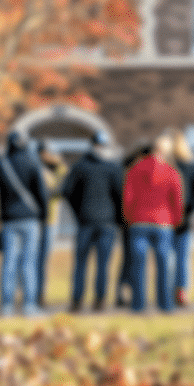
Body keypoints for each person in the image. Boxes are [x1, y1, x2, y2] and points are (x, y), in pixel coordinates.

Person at [60, 130, 124, 312]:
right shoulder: (113, 167)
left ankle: (77, 300)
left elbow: (68, 192)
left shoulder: (81, 166)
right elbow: (120, 196)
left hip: (86, 221)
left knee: (81, 263)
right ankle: (99, 300)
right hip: (107, 222)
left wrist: (78, 212)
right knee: (102, 264)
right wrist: (119, 219)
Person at [123, 133, 184, 313]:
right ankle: (165, 304)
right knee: (164, 265)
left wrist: (130, 218)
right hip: (163, 222)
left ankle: (138, 305)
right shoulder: (172, 172)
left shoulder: (135, 170)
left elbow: (128, 198)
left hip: (139, 221)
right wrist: (175, 220)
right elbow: (177, 201)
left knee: (138, 265)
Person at [0, 129, 48, 316]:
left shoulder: (1, 165)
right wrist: (44, 215)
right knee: (28, 262)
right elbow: (41, 193)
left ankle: (6, 305)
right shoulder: (33, 163)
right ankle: (29, 305)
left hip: (8, 219)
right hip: (30, 219)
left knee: (9, 261)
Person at [169, 128, 194, 308]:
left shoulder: (167, 167)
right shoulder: (193, 167)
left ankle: (171, 291)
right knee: (183, 258)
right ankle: (182, 291)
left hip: (168, 219)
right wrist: (192, 207)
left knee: (170, 258)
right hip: (187, 219)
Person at [116, 144, 152, 308]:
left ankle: (126, 291)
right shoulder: (133, 172)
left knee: (130, 258)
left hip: (130, 220)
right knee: (133, 259)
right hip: (134, 219)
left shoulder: (126, 170)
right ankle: (130, 292)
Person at [36, 140, 68, 308]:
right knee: (32, 260)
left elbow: (64, 182)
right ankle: (32, 294)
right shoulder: (35, 168)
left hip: (50, 220)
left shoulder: (57, 169)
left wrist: (59, 163)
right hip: (38, 220)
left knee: (43, 261)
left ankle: (40, 294)